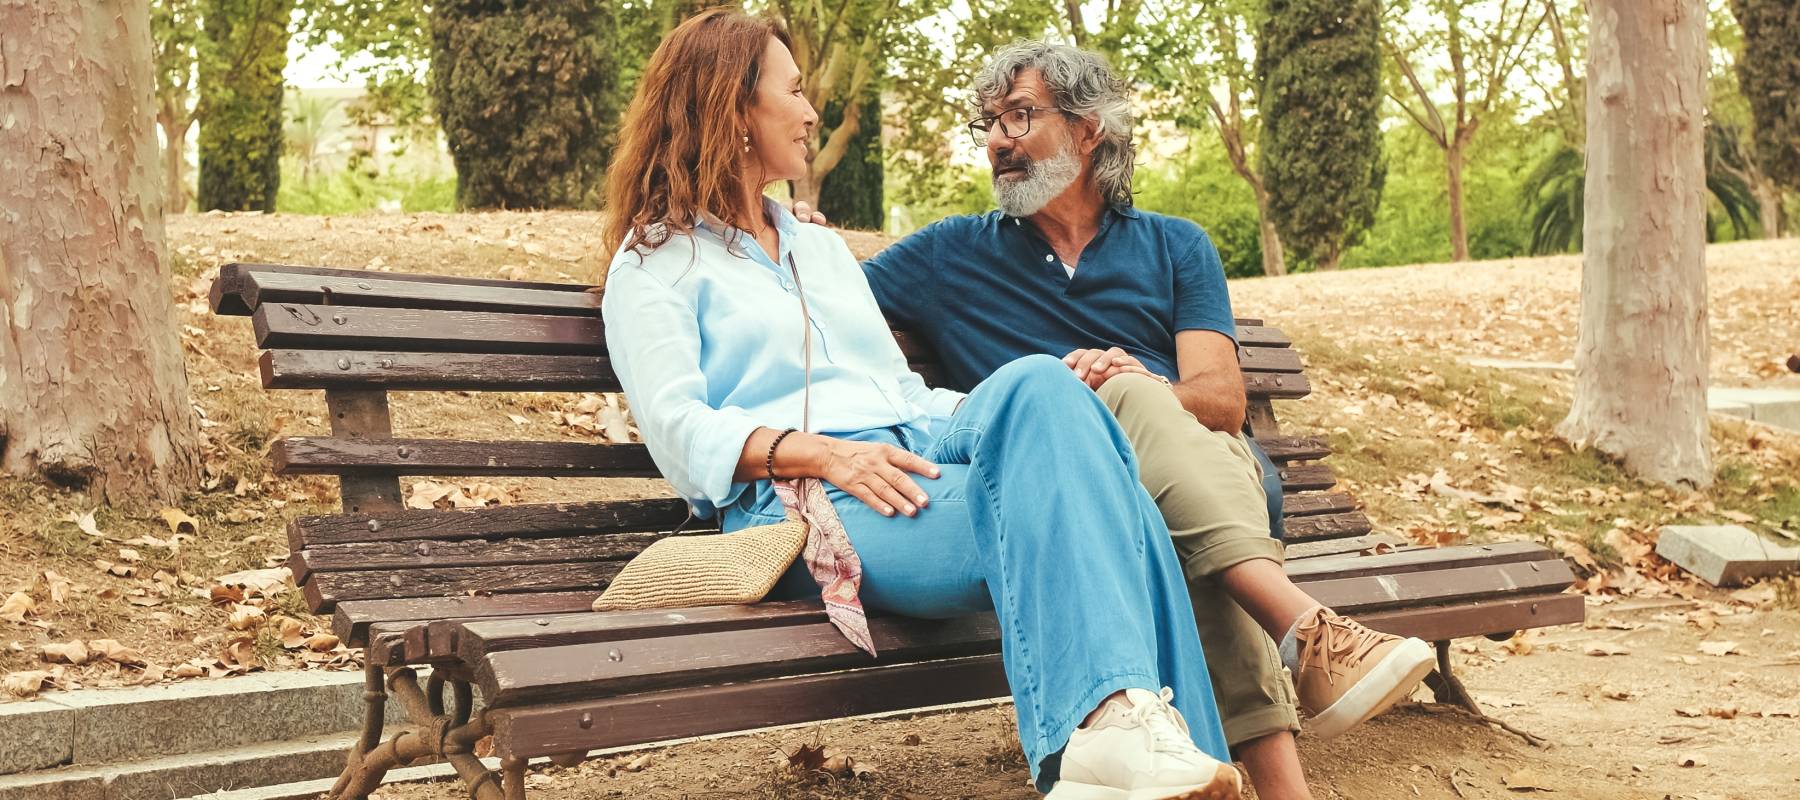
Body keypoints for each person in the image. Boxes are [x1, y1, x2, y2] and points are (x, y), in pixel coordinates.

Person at [600, 10, 1245, 799]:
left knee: (1046, 384)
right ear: (733, 112)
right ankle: (1107, 737)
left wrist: (1034, 417)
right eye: (795, 93)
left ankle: (1126, 744)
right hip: (802, 501)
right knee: (1121, 514)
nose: (811, 113)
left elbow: (899, 392)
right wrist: (825, 452)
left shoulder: (818, 248)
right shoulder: (656, 262)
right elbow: (677, 433)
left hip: (906, 458)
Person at [797, 42, 1437, 800]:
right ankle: (1309, 642)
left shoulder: (1174, 245)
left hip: (1214, 478)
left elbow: (1222, 401)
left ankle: (1291, 657)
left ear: (1089, 129)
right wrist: (805, 242)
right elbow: (819, 308)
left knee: (1131, 407)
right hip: (1081, 498)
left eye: (1020, 116)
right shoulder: (949, 254)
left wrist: (1142, 381)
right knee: (1146, 511)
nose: (999, 139)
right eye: (989, 123)